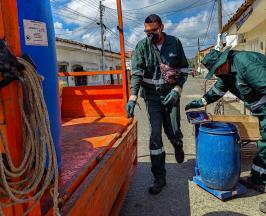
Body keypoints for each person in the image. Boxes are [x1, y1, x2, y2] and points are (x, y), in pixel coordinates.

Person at [185, 48, 266, 213]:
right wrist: (199, 102)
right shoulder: (226, 74)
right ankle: (258, 178)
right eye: (215, 71)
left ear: (225, 60)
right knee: (264, 145)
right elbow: (216, 92)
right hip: (262, 112)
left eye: (219, 68)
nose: (218, 72)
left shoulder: (245, 64)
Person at [126, 14, 188, 195]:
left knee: (173, 130)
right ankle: (159, 177)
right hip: (152, 97)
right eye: (147, 32)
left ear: (161, 27)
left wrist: (177, 90)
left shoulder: (175, 42)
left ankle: (177, 144)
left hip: (171, 94)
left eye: (153, 31)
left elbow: (184, 69)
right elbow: (137, 74)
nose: (150, 35)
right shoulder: (142, 46)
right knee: (155, 135)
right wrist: (132, 98)